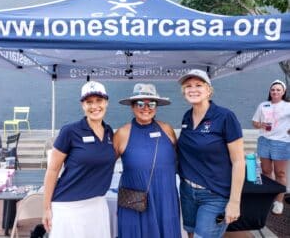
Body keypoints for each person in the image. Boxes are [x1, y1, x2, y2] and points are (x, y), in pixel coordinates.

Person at [42, 81, 116, 238]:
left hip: (97, 205)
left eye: (99, 101)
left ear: (106, 102)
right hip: (69, 207)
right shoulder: (70, 131)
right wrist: (46, 208)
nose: (94, 106)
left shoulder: (109, 132)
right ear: (83, 105)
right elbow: (53, 169)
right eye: (89, 102)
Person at [177, 69, 245, 237]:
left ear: (208, 90)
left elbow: (238, 161)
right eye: (188, 86)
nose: (193, 89)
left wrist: (235, 202)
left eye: (199, 85)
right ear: (184, 92)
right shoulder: (187, 117)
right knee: (190, 233)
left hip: (214, 195)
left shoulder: (225, 116)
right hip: (187, 191)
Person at [114, 83, 182, 238]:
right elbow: (104, 165)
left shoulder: (167, 129)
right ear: (132, 107)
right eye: (140, 103)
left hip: (165, 199)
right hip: (136, 202)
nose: (146, 108)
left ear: (156, 106)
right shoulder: (122, 133)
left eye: (151, 103)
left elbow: (180, 159)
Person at [252, 79, 290, 215]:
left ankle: (279, 201)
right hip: (264, 141)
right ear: (270, 91)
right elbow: (254, 122)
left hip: (281, 142)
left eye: (278, 90)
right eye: (273, 89)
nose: (275, 92)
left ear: (283, 92)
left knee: (280, 173)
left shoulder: (287, 106)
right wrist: (260, 125)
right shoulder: (263, 105)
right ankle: (268, 197)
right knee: (266, 171)